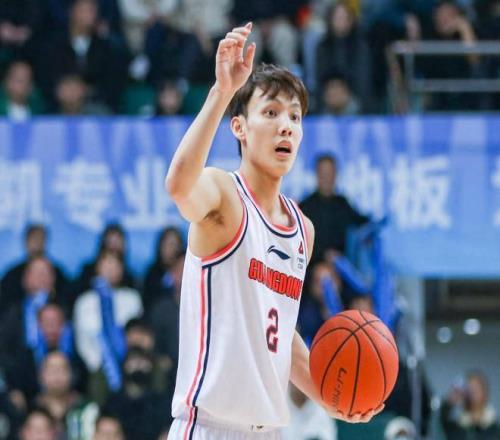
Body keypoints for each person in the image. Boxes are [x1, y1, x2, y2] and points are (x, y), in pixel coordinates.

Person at [164, 22, 382, 438]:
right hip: (208, 427)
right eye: (271, 112)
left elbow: (281, 336)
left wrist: (334, 399)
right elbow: (179, 186)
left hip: (269, 431)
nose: (286, 125)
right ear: (239, 128)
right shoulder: (223, 195)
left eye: (295, 116)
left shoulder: (302, 229)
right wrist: (222, 92)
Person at [299, 154, 370, 264]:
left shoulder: (342, 204)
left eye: (330, 173)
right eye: (323, 173)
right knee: (324, 273)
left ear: (335, 175)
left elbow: (360, 222)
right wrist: (324, 255)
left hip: (341, 264)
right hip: (314, 265)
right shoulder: (304, 208)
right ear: (317, 174)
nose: (326, 178)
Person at [440, 370, 500, 440]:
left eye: (476, 389)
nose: (473, 393)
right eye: (469, 389)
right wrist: (450, 402)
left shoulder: (495, 430)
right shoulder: (455, 428)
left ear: (485, 393)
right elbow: (437, 422)